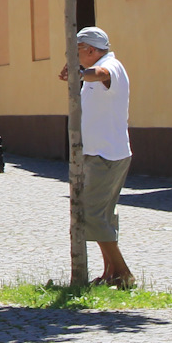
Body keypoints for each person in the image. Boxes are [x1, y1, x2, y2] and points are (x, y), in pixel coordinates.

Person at [61, 25, 133, 287]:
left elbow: (101, 74)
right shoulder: (93, 71)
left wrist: (81, 73)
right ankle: (110, 272)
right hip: (98, 153)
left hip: (107, 155)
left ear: (91, 50)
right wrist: (79, 73)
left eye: (77, 51)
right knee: (102, 215)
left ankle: (123, 272)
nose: (74, 56)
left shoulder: (110, 66)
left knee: (92, 214)